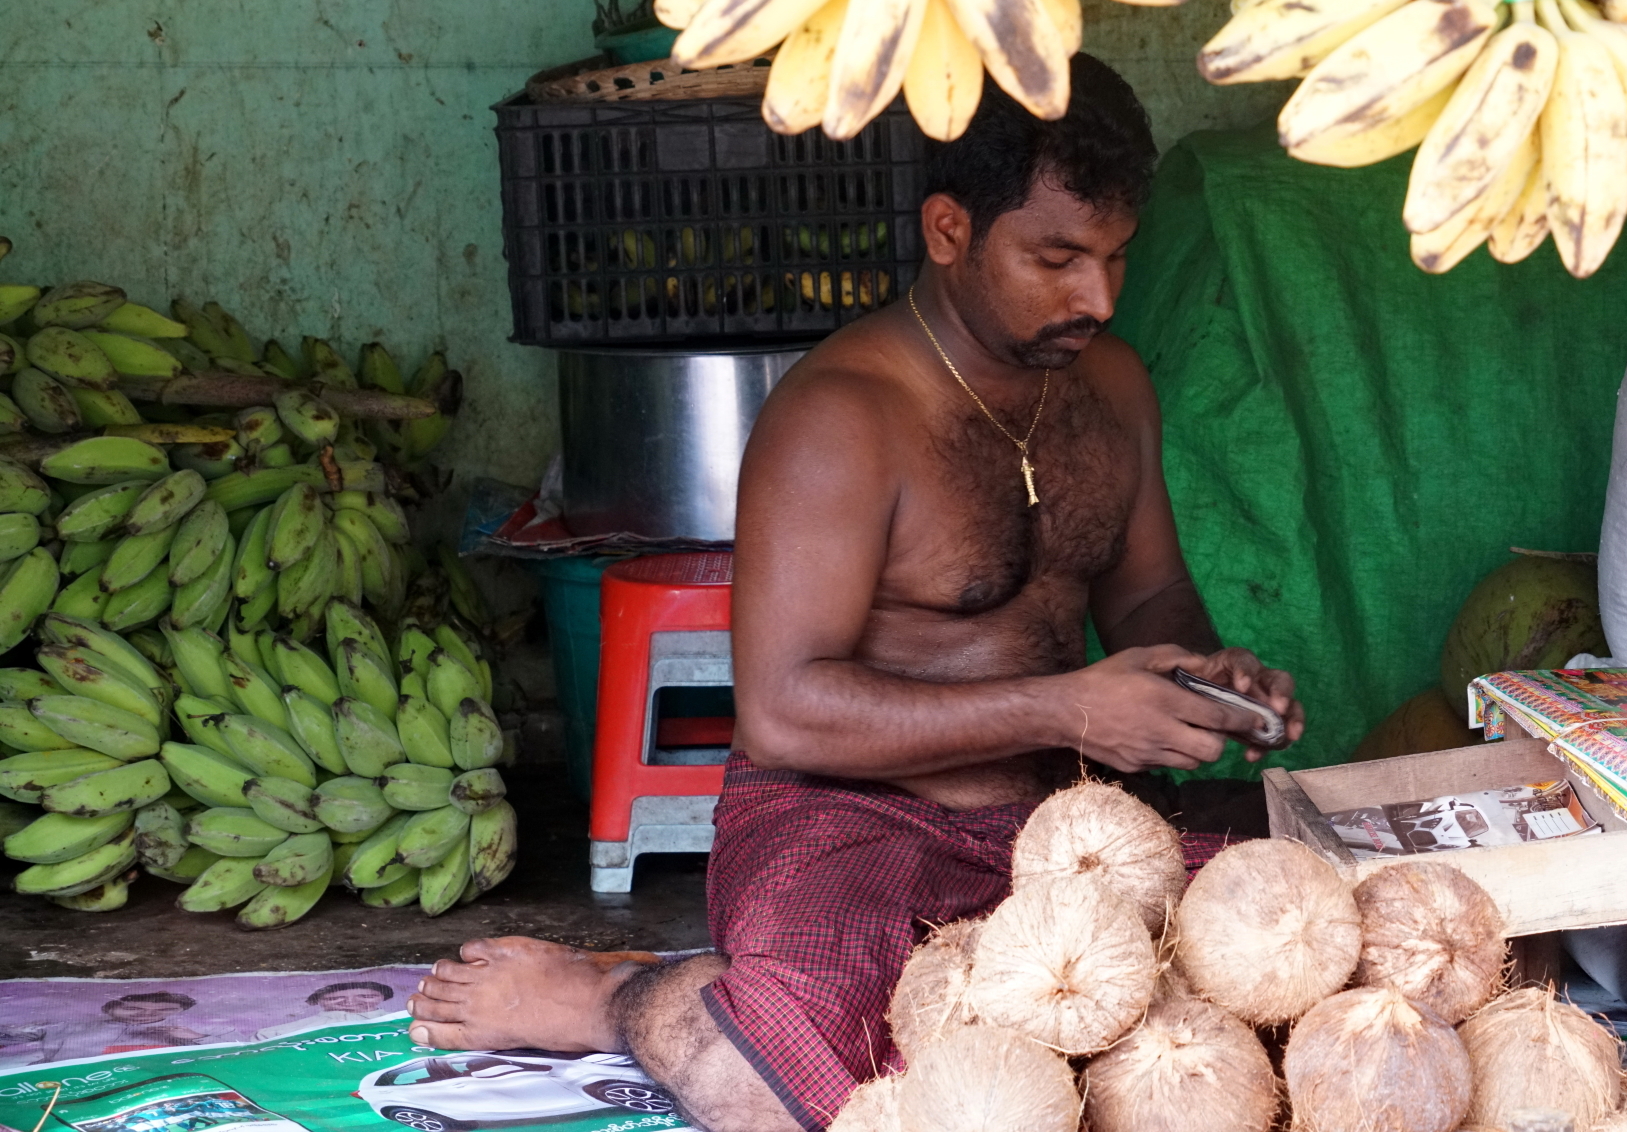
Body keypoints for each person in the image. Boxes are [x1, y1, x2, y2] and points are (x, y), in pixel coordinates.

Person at [404, 56, 1302, 1132]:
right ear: (945, 230)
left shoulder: (1110, 387)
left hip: (1071, 826)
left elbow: (1149, 597)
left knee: (1288, 978)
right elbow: (783, 713)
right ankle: (622, 995)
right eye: (1055, 258)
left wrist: (1206, 677)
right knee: (792, 1089)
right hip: (853, 822)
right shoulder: (842, 417)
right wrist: (1070, 706)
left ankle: (745, 994)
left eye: (1114, 258)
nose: (1096, 298)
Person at [0, 993, 219, 1068]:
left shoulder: (192, 1031)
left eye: (165, 1009)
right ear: (109, 1008)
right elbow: (11, 1037)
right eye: (133, 1008)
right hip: (62, 1083)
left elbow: (237, 1054)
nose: (146, 1015)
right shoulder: (70, 1024)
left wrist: (200, 1038)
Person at [254, 980, 399, 1040]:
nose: (350, 1003)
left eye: (366, 996)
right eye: (335, 998)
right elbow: (263, 1038)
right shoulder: (277, 1032)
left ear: (383, 997)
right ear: (318, 1001)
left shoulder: (400, 1022)